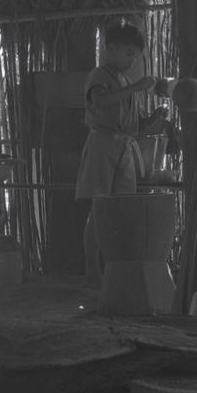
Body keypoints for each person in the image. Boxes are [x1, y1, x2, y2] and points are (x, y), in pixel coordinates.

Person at [75, 23, 169, 286]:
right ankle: (92, 270)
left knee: (118, 209)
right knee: (99, 209)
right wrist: (136, 88)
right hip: (102, 145)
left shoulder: (126, 82)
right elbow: (99, 102)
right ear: (110, 49)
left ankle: (115, 269)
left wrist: (156, 118)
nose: (131, 60)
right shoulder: (99, 75)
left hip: (125, 147)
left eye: (135, 56)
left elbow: (135, 126)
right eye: (128, 54)